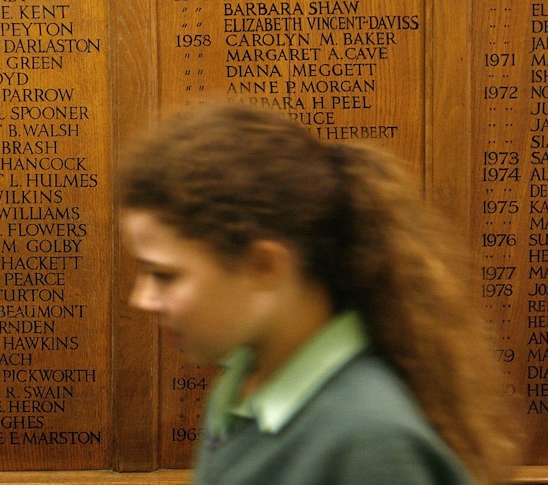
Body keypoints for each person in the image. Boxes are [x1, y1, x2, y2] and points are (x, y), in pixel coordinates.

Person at [118, 103, 520, 484]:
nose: (143, 298)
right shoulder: (239, 387)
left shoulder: (370, 440)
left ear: (264, 266)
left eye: (164, 276)